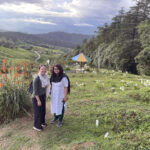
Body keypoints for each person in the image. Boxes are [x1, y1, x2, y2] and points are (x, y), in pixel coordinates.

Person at [32, 65, 50, 131]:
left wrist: (45, 95)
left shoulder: (45, 77)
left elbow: (45, 87)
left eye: (45, 69)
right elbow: (35, 91)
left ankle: (42, 122)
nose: (44, 70)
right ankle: (36, 126)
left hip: (42, 96)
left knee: (43, 111)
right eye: (42, 69)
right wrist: (38, 100)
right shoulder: (36, 78)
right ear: (39, 70)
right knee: (38, 112)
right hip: (36, 97)